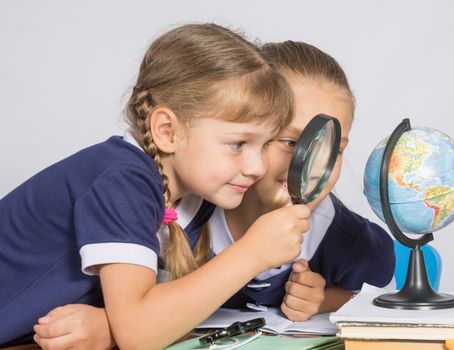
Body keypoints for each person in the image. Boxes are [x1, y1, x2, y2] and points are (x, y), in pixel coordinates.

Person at [0, 24, 311, 350]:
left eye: (263, 146)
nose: (257, 167)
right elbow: (139, 333)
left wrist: (110, 325)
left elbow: (176, 304)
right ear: (167, 131)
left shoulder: (198, 193)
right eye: (237, 144)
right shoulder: (122, 181)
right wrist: (251, 253)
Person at [209, 41, 395, 321]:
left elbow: (382, 302)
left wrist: (325, 300)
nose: (314, 168)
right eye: (290, 141)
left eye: (335, 148)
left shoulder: (352, 242)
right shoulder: (183, 216)